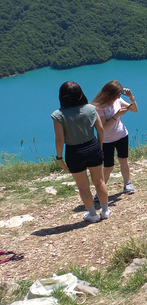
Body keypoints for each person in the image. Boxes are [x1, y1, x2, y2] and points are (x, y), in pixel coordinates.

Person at [52, 81, 110, 222]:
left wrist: (59, 158)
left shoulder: (58, 115)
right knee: (99, 181)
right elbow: (100, 129)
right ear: (80, 93)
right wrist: (99, 146)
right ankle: (105, 210)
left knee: (83, 187)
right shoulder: (91, 108)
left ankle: (92, 215)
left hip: (74, 152)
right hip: (93, 146)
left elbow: (60, 140)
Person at [91, 80, 138, 196]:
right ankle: (100, 191)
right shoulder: (98, 107)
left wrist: (131, 98)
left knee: (123, 161)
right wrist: (117, 115)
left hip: (121, 135)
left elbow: (134, 110)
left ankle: (127, 183)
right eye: (116, 95)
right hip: (106, 140)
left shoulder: (118, 100)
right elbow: (104, 127)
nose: (118, 97)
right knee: (108, 167)